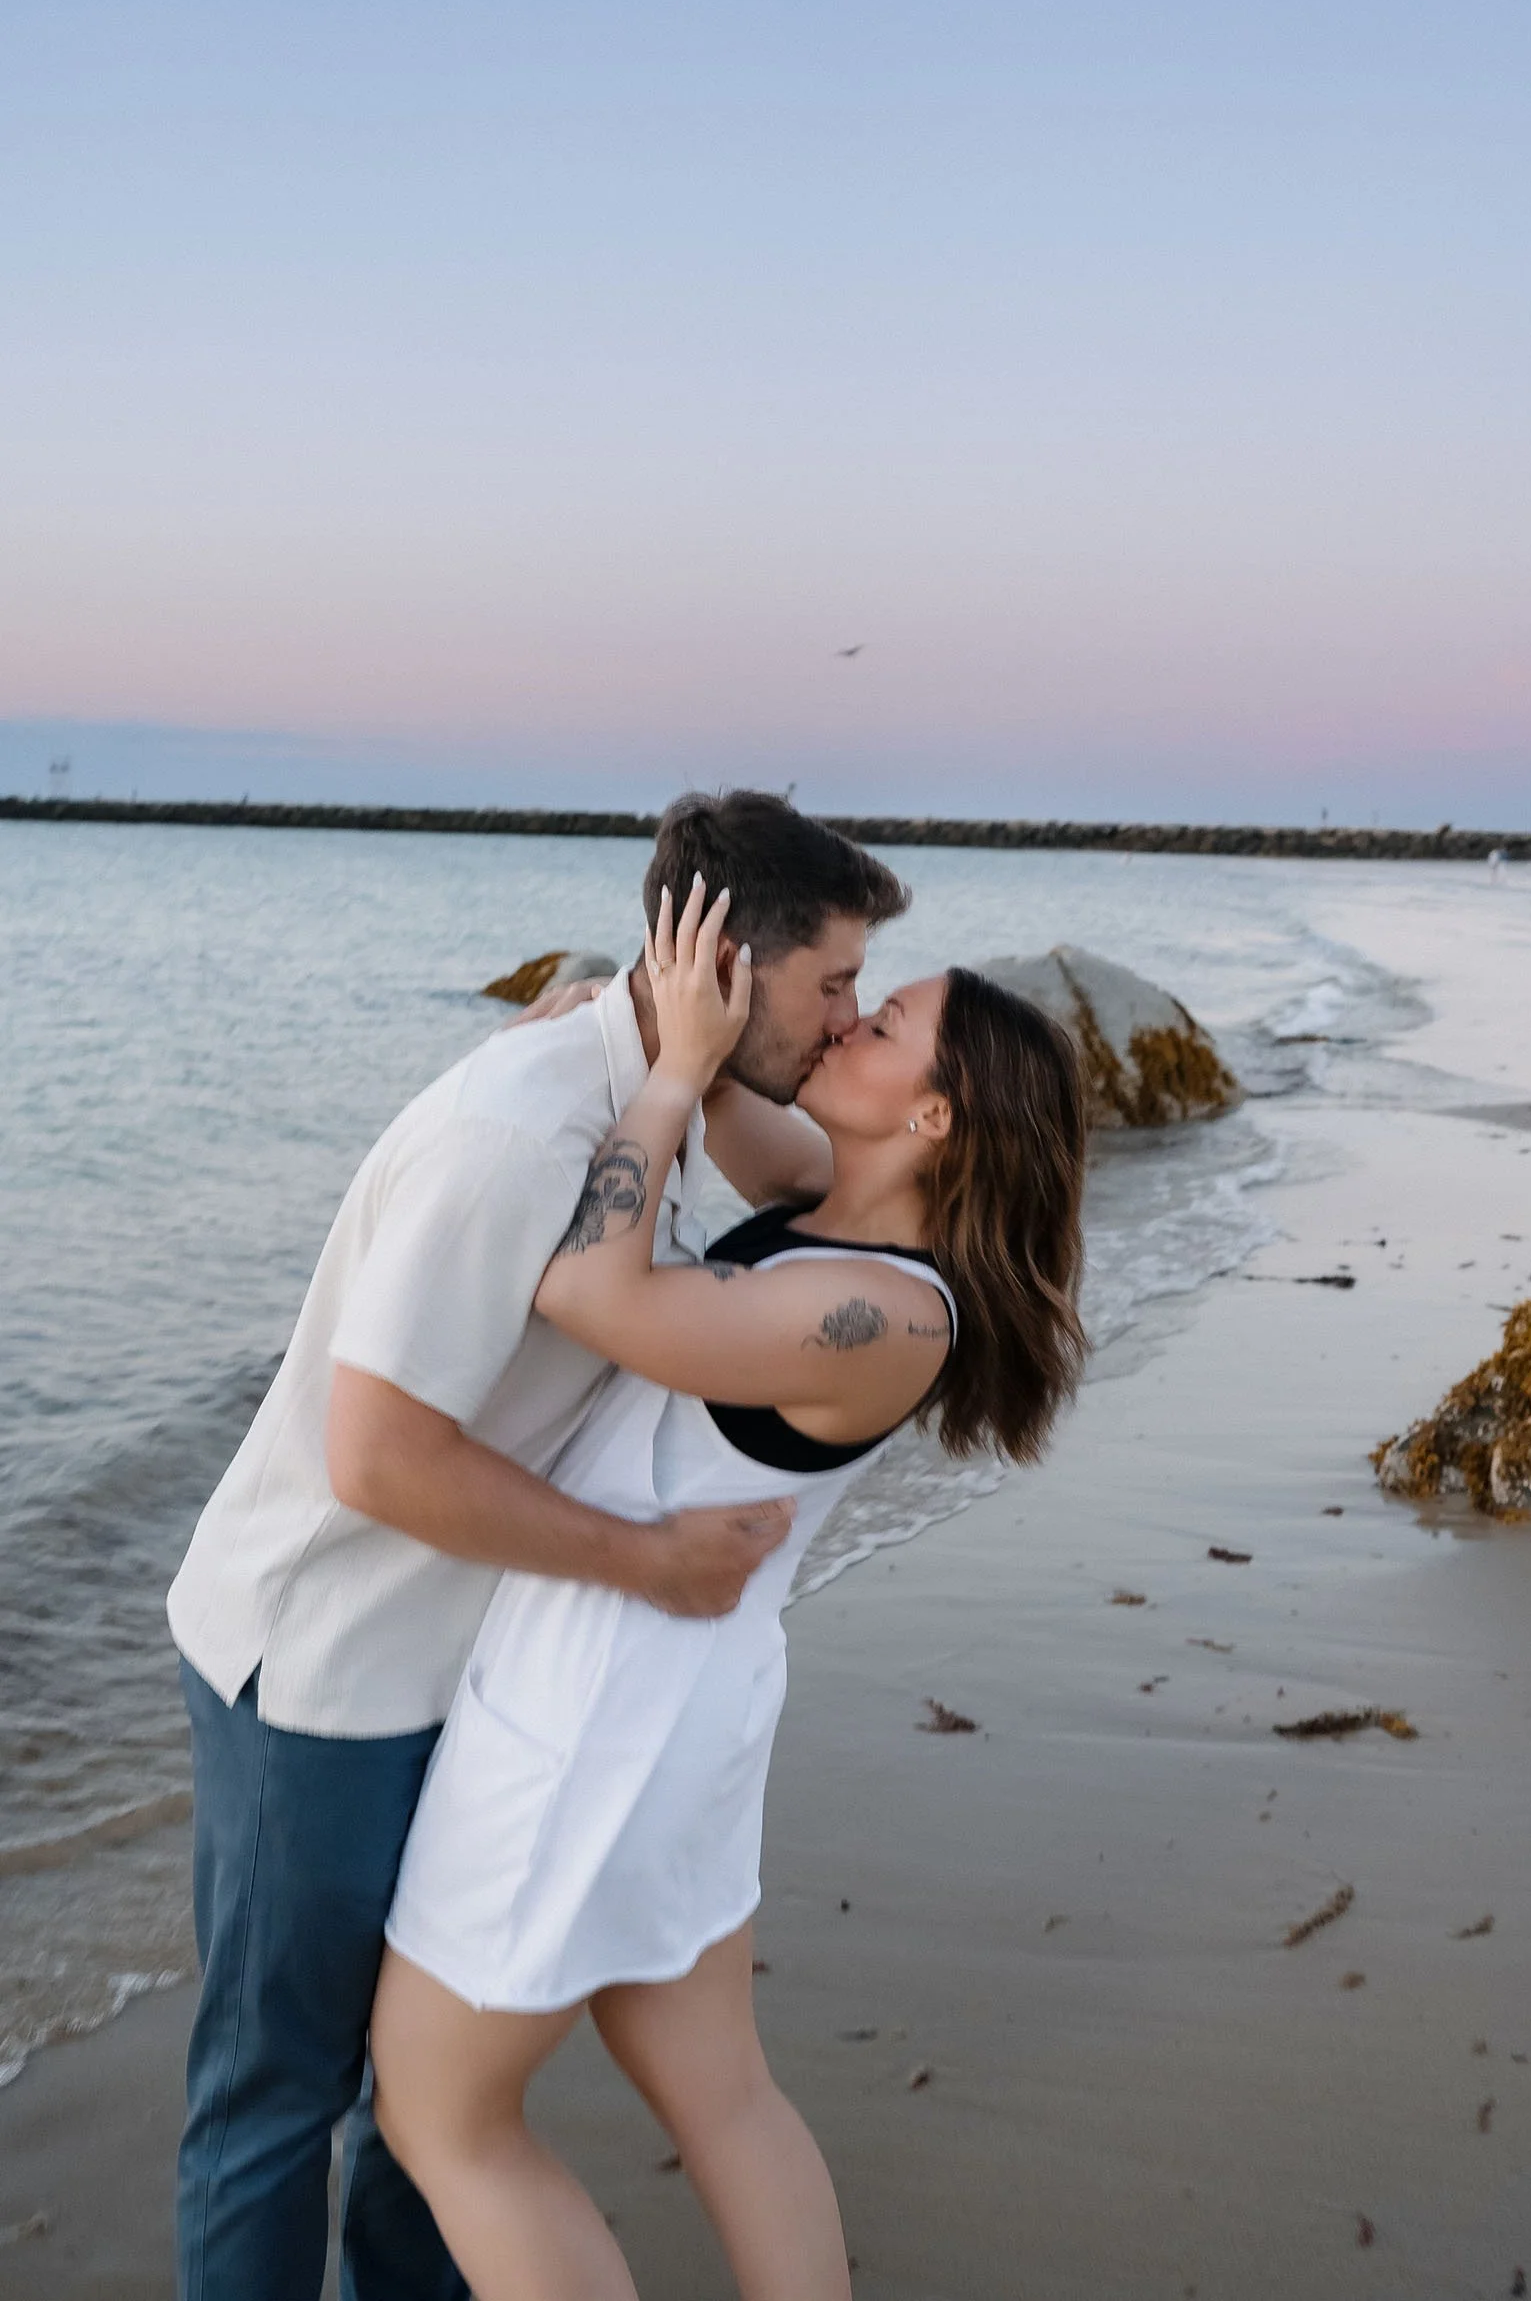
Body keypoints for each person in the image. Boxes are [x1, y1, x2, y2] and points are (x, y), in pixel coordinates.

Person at [165, 791, 910, 2301]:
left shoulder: (681, 1102)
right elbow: (375, 1459)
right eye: (830, 985)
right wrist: (643, 1564)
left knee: (413, 2098)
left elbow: (840, 1192)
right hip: (322, 1668)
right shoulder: (518, 1129)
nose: (844, 1023)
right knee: (275, 2098)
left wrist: (676, 1058)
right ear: (721, 956)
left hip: (465, 1659)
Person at [367, 873, 1090, 2301]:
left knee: (441, 2114)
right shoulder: (834, 1202)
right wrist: (627, 1032)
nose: (846, 1026)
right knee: (717, 2091)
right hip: (680, 1700)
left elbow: (592, 1292)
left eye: (881, 1023)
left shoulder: (883, 1312)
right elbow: (701, 1098)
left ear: (932, 1115)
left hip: (600, 1713)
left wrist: (672, 1075)